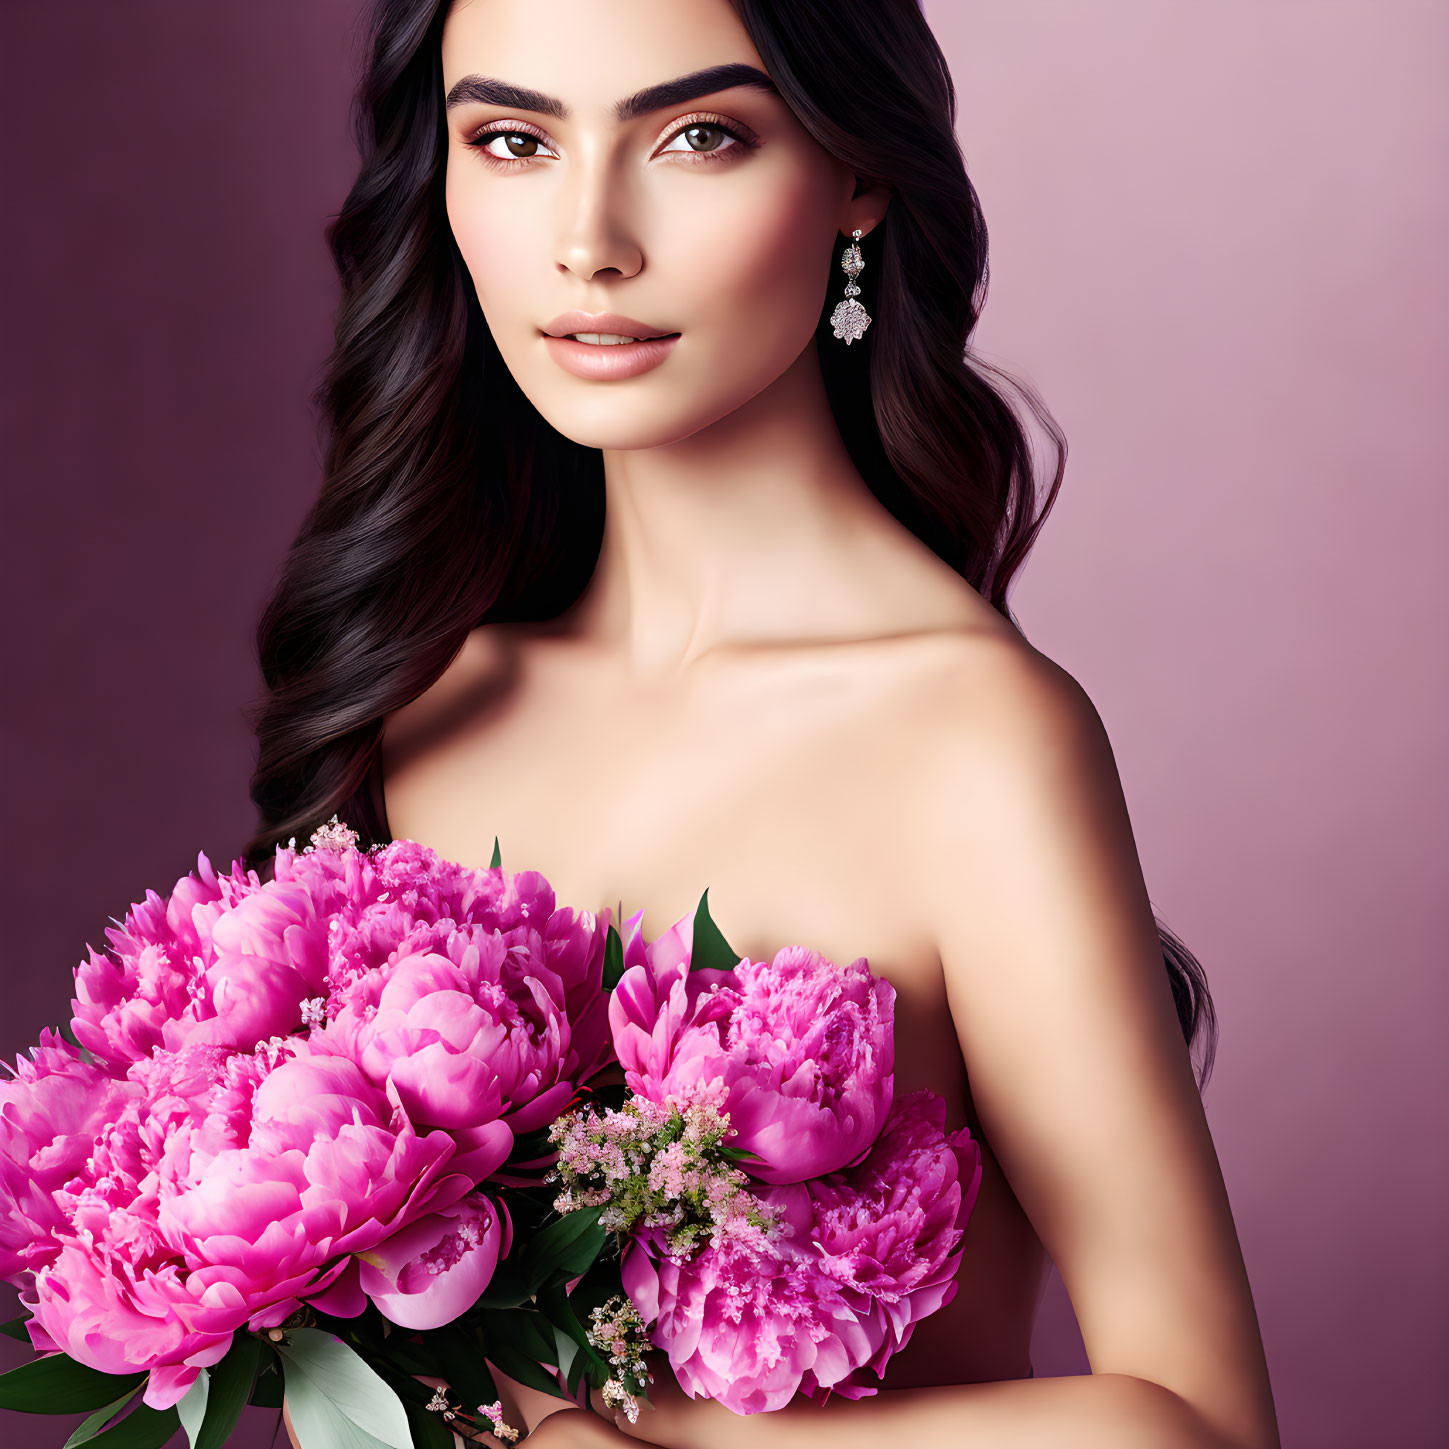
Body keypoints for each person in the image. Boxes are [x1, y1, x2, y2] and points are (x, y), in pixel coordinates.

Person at [253, 2, 1280, 1446]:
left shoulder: (970, 737)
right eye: (512, 139)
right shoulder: (429, 710)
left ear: (857, 173)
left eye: (694, 136)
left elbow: (1197, 1426)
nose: (589, 236)